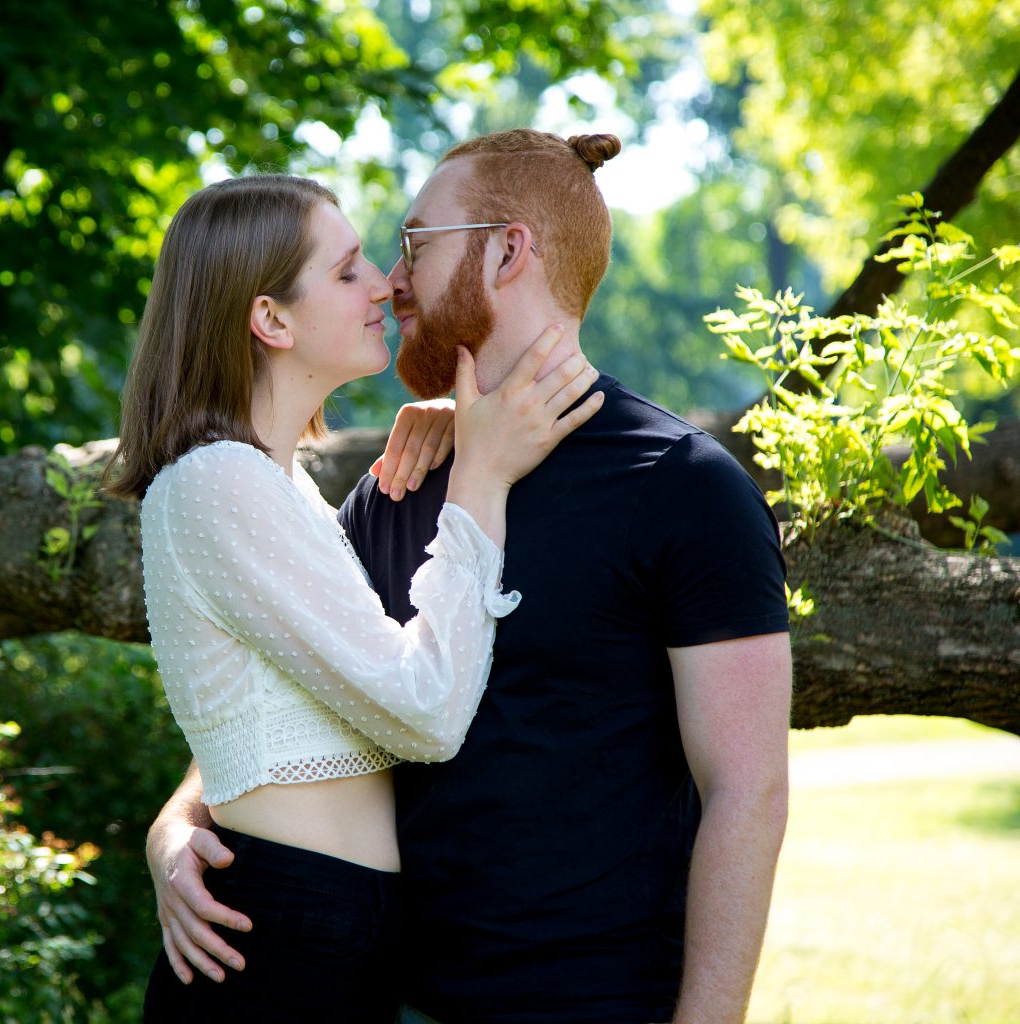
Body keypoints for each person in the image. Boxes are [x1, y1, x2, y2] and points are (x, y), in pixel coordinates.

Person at [147, 130, 793, 1024]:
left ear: (507, 251)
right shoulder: (399, 485)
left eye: (414, 246)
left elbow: (748, 792)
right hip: (386, 994)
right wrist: (183, 816)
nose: (391, 280)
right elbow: (295, 682)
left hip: (596, 1002)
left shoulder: (684, 487)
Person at [106, 173, 604, 1022]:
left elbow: (277, 709)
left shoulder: (275, 484)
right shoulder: (219, 482)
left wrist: (463, 432)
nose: (383, 284)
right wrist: (480, 481)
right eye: (346, 271)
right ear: (271, 320)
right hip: (279, 934)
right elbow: (425, 713)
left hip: (325, 929)